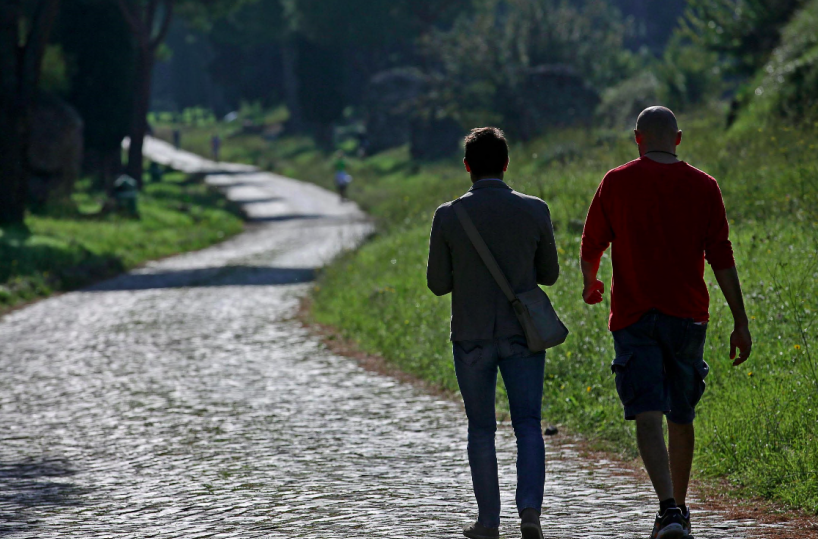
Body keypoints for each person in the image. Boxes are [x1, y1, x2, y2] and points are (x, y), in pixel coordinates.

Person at [580, 106, 752, 539]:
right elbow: (723, 258)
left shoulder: (616, 182)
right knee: (682, 412)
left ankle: (668, 509)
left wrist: (590, 281)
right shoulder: (704, 186)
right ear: (678, 139)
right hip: (687, 317)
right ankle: (678, 507)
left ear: (637, 138)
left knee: (646, 413)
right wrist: (740, 320)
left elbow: (591, 241)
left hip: (634, 317)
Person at [426, 127, 559, 539]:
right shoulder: (535, 210)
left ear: (467, 167)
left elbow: (437, 284)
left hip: (471, 336)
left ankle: (487, 522)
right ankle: (531, 513)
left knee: (481, 428)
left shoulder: (448, 215)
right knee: (528, 424)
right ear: (506, 163)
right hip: (522, 335)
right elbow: (550, 275)